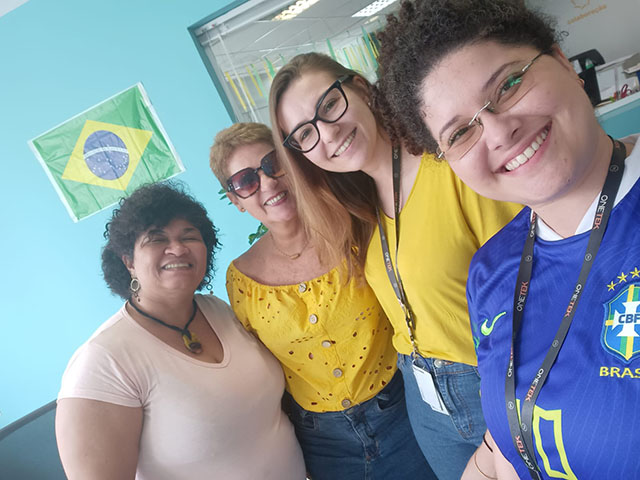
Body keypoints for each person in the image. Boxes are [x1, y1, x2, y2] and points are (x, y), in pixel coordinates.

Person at [375, 0, 640, 478]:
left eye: (509, 85)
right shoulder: (492, 271)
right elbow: (505, 443)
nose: (498, 131)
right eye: (459, 133)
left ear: (563, 62)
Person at [269, 53, 522, 479]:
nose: (328, 135)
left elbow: (533, 290)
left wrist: (505, 418)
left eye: (329, 105)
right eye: (305, 134)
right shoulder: (359, 212)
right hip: (425, 406)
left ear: (362, 89)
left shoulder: (450, 167)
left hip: (496, 389)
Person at [209, 122, 434, 480]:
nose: (267, 183)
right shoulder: (242, 280)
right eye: (246, 180)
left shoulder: (355, 225)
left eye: (272, 163)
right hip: (323, 443)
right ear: (236, 200)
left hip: (403, 410)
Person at [55, 182, 305, 480]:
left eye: (189, 236)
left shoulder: (217, 309)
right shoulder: (102, 362)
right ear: (129, 262)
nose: (177, 248)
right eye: (156, 239)